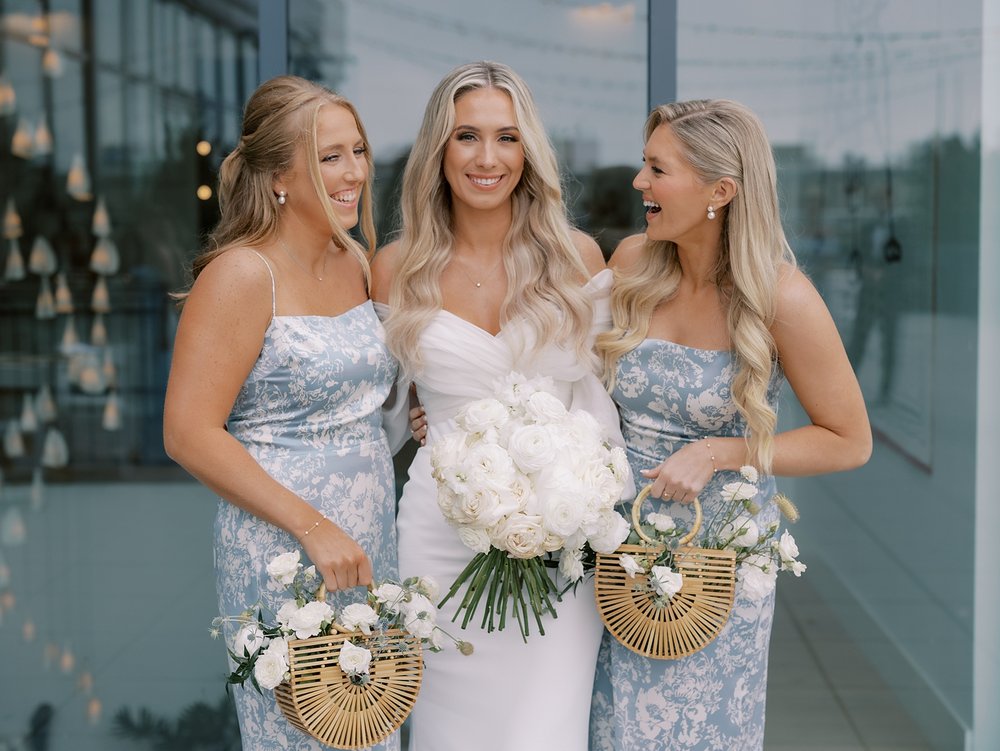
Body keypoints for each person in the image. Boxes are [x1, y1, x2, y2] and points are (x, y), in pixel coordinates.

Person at [588, 98, 873, 751]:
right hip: (612, 549)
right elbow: (567, 372)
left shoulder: (783, 296)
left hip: (717, 561)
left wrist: (723, 450)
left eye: (657, 170)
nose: (639, 184)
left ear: (719, 190)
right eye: (643, 165)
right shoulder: (632, 261)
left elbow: (848, 439)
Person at [371, 61, 625, 751]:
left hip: (559, 533)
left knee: (544, 725)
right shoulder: (396, 266)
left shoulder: (574, 256)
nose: (488, 158)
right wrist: (419, 414)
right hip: (438, 533)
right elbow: (383, 408)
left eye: (507, 137)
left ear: (529, 151)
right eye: (467, 137)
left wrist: (587, 495)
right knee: (449, 727)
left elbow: (599, 398)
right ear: (439, 151)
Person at [162, 76, 400, 750]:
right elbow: (187, 432)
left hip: (368, 538)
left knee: (366, 726)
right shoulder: (241, 274)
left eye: (357, 151)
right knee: (300, 731)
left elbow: (362, 400)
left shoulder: (353, 260)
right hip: (282, 546)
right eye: (330, 156)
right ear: (277, 177)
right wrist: (312, 525)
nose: (353, 171)